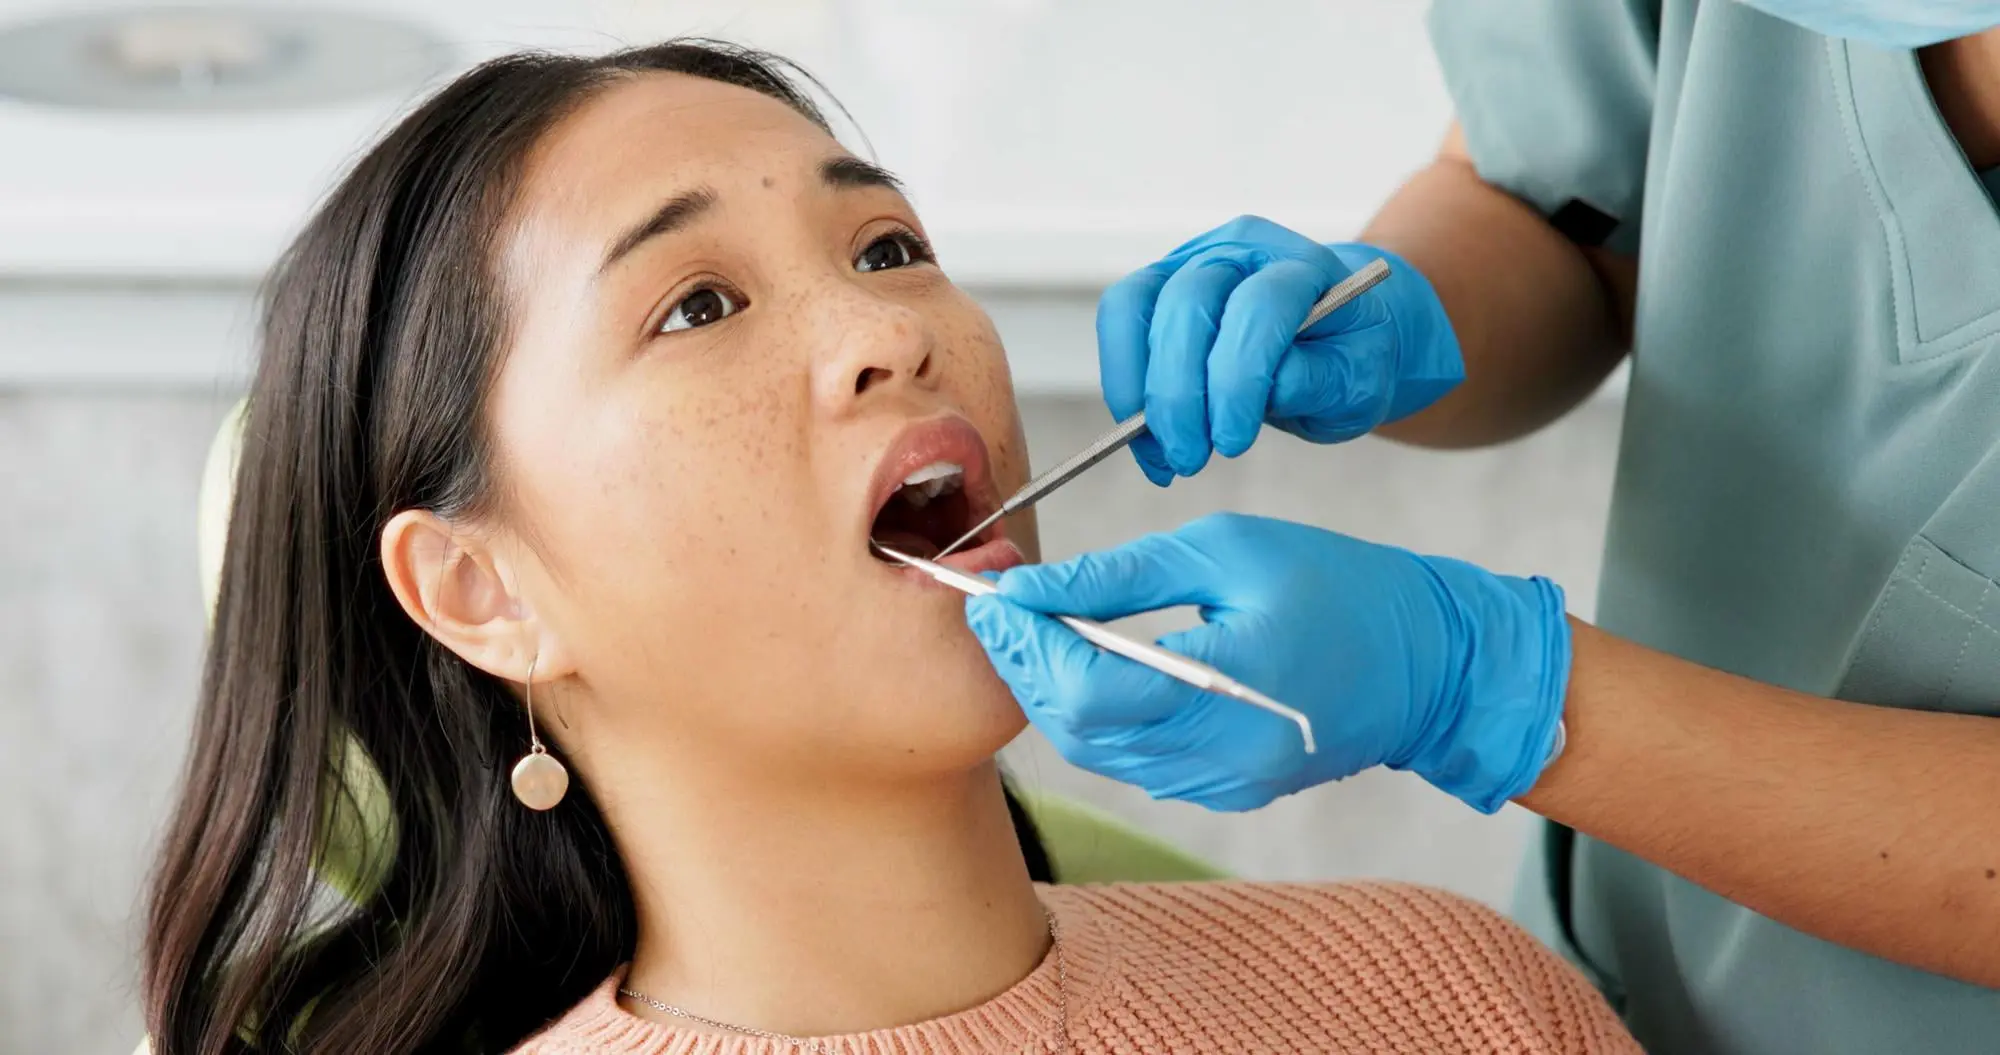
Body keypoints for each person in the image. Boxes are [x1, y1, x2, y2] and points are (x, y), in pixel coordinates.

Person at [139, 39, 1640, 1055]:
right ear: (482, 588)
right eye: (697, 304)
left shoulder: (1450, 998)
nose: (886, 335)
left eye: (888, 249)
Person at [964, 4, 2000, 1054]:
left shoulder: (1424, 982)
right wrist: (1395, 304)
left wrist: (1487, 683)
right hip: (1623, 969)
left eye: (882, 253)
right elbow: (1567, 205)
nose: (883, 343)